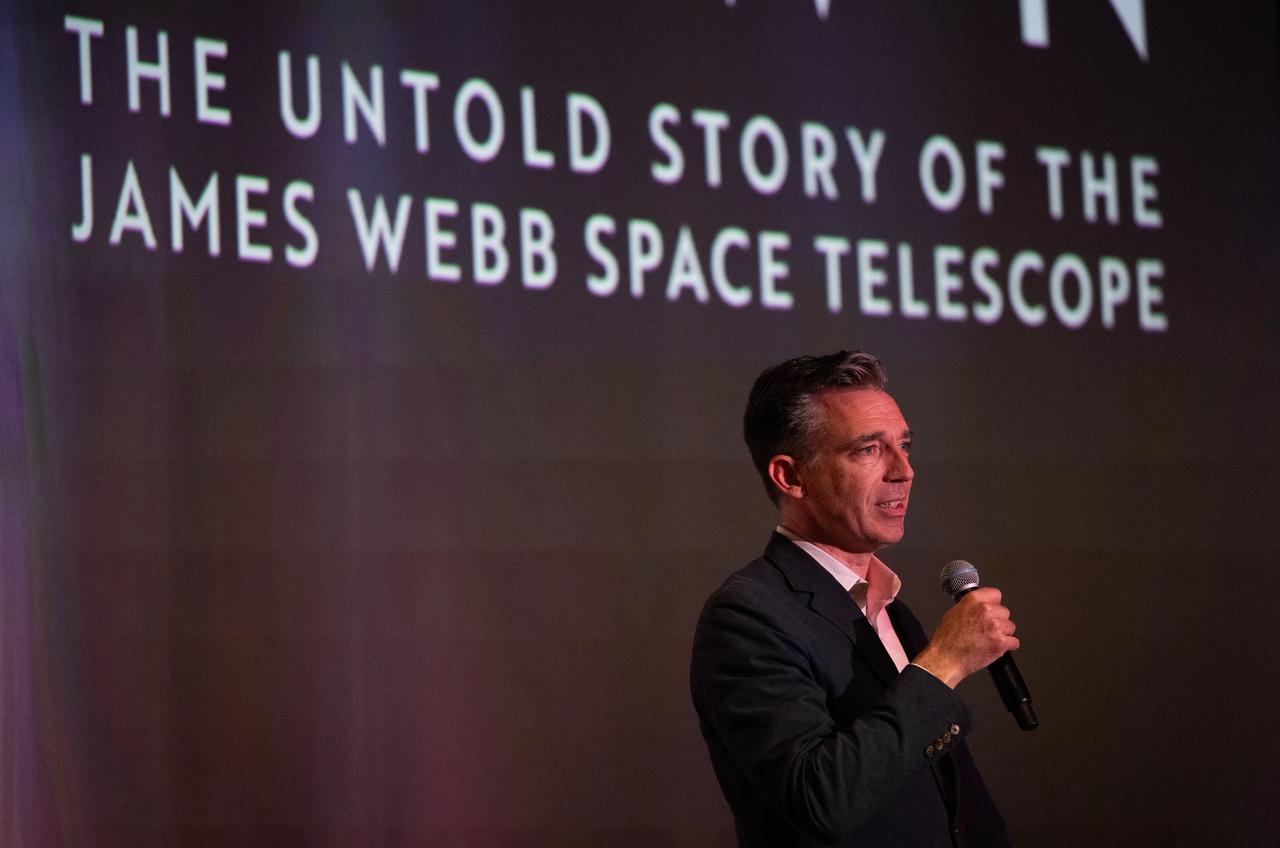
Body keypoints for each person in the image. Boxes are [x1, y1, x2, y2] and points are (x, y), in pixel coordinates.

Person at [690, 350, 1015, 847]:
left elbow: (953, 803)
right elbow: (821, 799)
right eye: (869, 450)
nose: (904, 471)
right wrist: (945, 663)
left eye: (904, 446)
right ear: (791, 477)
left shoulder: (893, 612)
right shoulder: (748, 616)